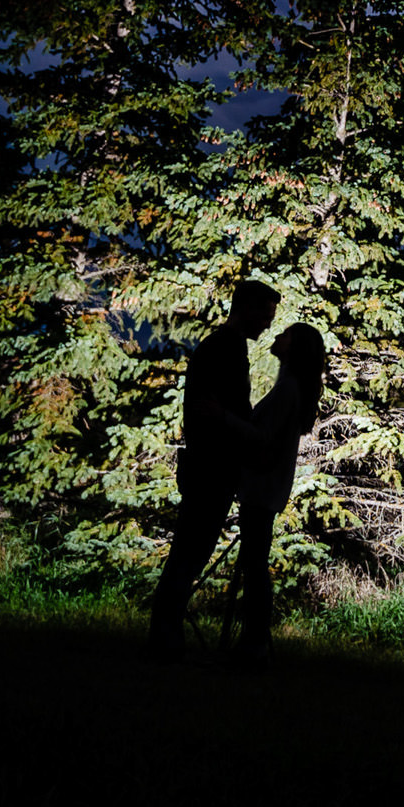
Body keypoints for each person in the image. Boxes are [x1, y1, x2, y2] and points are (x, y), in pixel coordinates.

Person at [148, 278, 281, 660]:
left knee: (189, 553)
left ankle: (165, 635)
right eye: (266, 314)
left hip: (209, 467)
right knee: (190, 553)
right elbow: (222, 414)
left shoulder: (223, 346)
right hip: (211, 470)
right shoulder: (225, 349)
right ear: (248, 309)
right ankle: (165, 638)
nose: (268, 325)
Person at [231, 323, 325, 668]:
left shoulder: (287, 389)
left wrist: (224, 418)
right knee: (254, 562)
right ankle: (252, 642)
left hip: (261, 485)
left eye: (284, 334)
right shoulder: (292, 387)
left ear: (295, 347)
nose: (276, 337)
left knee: (254, 565)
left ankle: (253, 644)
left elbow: (261, 436)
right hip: (267, 486)